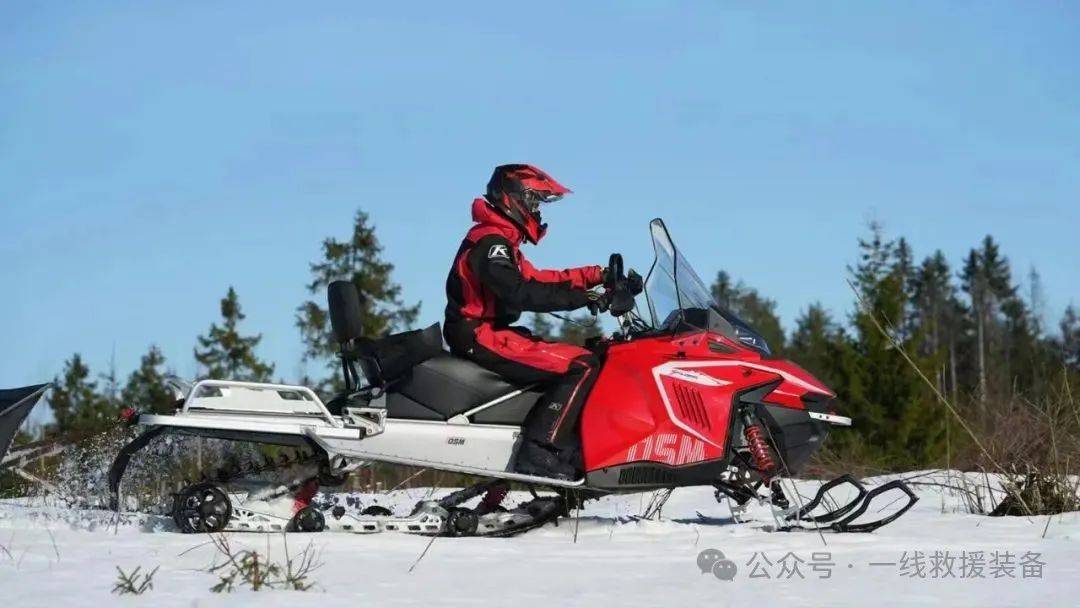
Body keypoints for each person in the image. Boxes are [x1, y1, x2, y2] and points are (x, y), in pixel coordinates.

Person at [444, 164, 608, 479]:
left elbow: (538, 278)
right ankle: (540, 449)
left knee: (581, 358)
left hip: (488, 331)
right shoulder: (491, 243)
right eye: (534, 202)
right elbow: (519, 292)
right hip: (479, 333)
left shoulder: (502, 241)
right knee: (582, 364)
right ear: (514, 200)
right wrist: (581, 299)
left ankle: (563, 442)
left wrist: (595, 275)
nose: (536, 211)